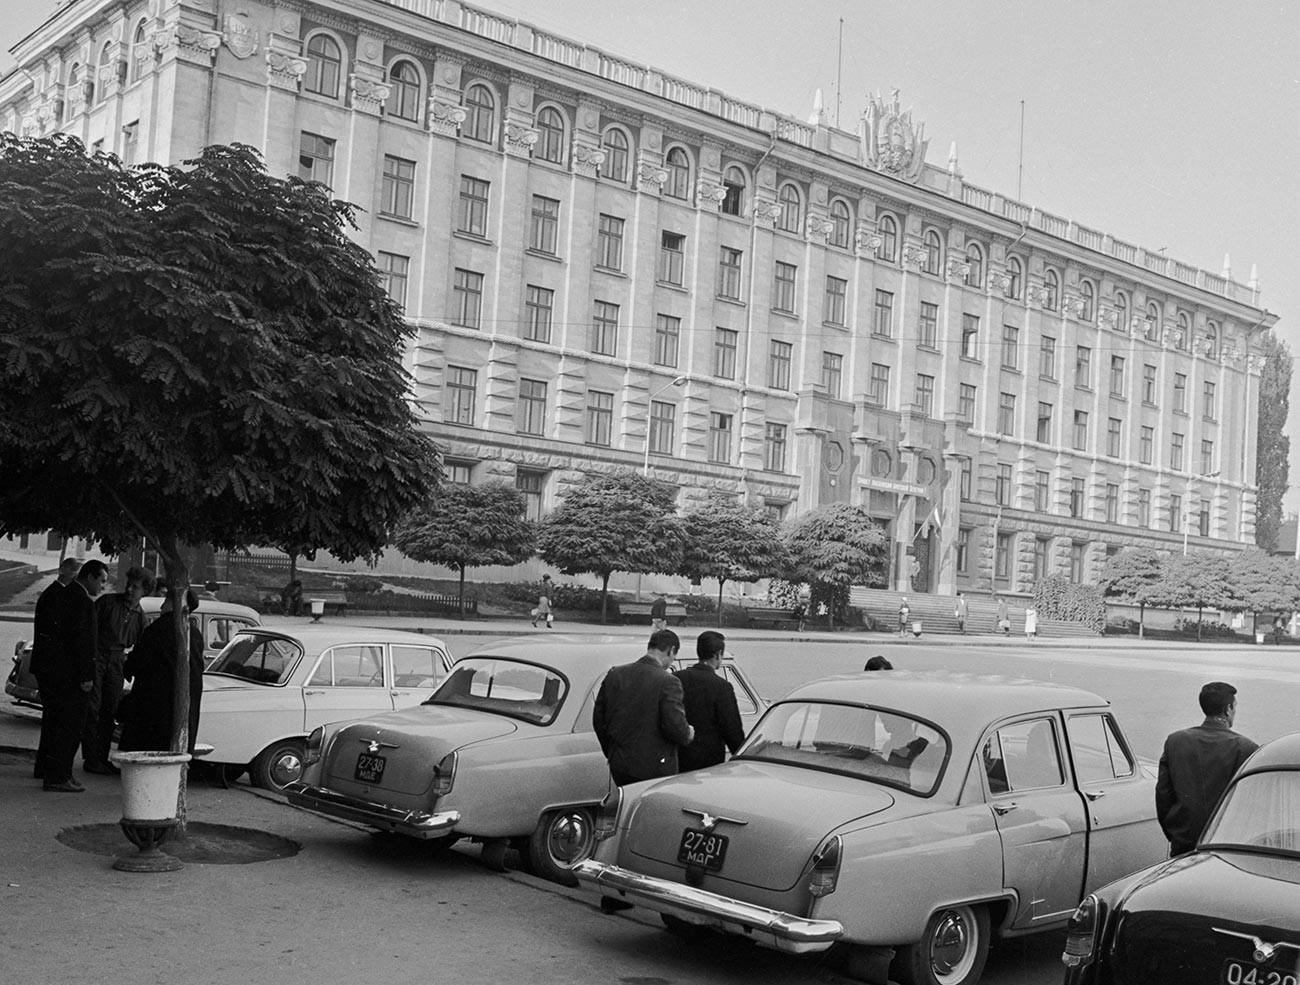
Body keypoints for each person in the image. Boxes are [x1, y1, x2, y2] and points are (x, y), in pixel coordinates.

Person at [1155, 681, 1259, 857]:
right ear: (1228, 709)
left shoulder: (1175, 741)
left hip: (1183, 843)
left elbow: (1163, 796)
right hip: (1225, 845)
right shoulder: (1246, 748)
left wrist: (1176, 835)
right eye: (1234, 707)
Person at [32, 559, 108, 792]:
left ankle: (59, 772)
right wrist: (86, 675)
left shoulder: (67, 595)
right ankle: (58, 775)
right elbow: (82, 642)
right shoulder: (81, 601)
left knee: (60, 723)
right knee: (71, 725)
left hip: (60, 672)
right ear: (91, 577)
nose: (103, 587)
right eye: (102, 581)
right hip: (73, 675)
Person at [592, 629, 694, 786]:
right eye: (674, 657)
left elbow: (599, 719)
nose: (672, 662)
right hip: (655, 768)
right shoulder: (669, 682)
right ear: (671, 650)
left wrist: (612, 752)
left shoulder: (615, 674)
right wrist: (688, 733)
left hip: (620, 764)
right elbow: (675, 726)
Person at [81, 566, 152, 774]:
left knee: (109, 710)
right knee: (92, 709)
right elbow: (89, 631)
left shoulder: (141, 618)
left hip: (117, 662)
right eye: (128, 585)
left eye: (136, 587)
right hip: (98, 657)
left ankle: (102, 758)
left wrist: (128, 665)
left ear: (145, 591)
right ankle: (90, 757)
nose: (130, 589)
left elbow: (141, 646)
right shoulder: (108, 603)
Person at [119, 589, 205, 755]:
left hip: (154, 701)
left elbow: (139, 660)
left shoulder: (159, 628)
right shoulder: (193, 632)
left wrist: (128, 667)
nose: (162, 605)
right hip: (181, 702)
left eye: (167, 600)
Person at [30, 557, 82, 782]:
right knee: (54, 718)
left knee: (51, 719)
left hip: (46, 665)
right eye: (73, 572)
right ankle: (46, 766)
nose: (74, 577)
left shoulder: (53, 594)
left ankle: (43, 765)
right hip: (50, 666)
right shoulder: (54, 595)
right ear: (64, 571)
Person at [674, 631, 745, 772]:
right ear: (718, 654)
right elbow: (732, 729)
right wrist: (741, 757)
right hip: (708, 761)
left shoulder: (677, 678)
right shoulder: (722, 687)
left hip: (678, 757)